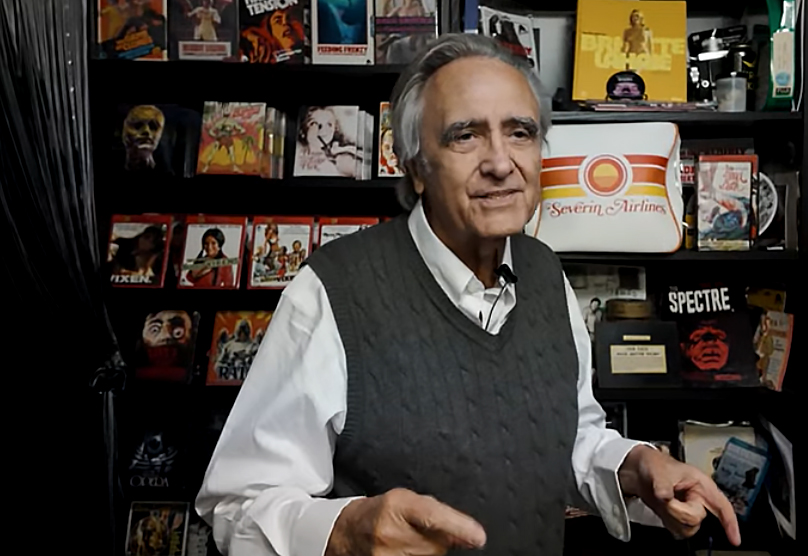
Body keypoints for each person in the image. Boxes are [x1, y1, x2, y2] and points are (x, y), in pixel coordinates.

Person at [197, 34, 740, 556]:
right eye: (465, 136)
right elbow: (236, 503)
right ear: (415, 166)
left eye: (520, 132)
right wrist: (341, 533)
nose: (501, 163)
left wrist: (633, 465)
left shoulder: (545, 272)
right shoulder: (333, 291)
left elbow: (565, 435)